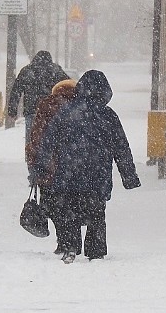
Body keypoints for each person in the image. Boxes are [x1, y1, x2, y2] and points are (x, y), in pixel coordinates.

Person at [35, 70, 141, 264]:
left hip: (68, 174)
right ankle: (96, 251)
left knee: (69, 211)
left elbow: (48, 142)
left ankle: (70, 246)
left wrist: (41, 169)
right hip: (97, 176)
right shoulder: (108, 116)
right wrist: (129, 176)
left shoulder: (66, 113)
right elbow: (121, 147)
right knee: (96, 214)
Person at [26, 78, 78, 255]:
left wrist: (34, 162)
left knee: (52, 204)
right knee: (71, 204)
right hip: (72, 164)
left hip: (48, 163)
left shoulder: (46, 104)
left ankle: (63, 240)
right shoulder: (80, 106)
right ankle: (71, 240)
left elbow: (36, 134)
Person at [7, 50, 69, 181]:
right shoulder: (56, 70)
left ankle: (33, 171)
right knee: (53, 141)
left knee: (32, 141)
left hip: (32, 113)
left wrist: (12, 110)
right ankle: (52, 169)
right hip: (52, 113)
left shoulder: (27, 71)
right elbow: (68, 86)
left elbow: (16, 90)